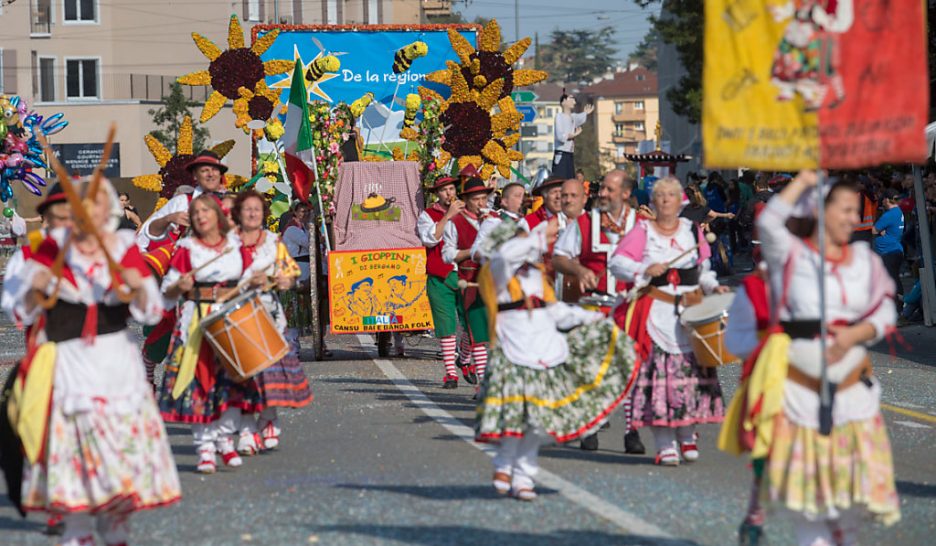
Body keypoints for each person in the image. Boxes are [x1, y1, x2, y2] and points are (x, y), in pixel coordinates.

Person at [3, 176, 181, 545]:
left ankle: (115, 529)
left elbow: (149, 310)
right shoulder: (41, 252)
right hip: (66, 364)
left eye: (88, 208)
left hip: (115, 364)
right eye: (69, 210)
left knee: (117, 462)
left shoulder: (121, 247)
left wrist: (133, 283)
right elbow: (17, 309)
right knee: (71, 461)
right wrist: (38, 288)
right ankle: (76, 530)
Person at [754, 171, 900, 545]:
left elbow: (885, 311)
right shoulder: (791, 254)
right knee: (811, 511)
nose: (855, 218)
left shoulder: (864, 261)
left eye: (856, 211)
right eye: (847, 209)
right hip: (801, 397)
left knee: (847, 511)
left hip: (853, 395)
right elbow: (769, 222)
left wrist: (856, 332)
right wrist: (803, 180)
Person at [474, 219, 638, 501]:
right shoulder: (497, 272)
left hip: (544, 349)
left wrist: (592, 317)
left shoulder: (536, 275)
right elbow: (505, 255)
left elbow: (556, 311)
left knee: (536, 420)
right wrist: (538, 236)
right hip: (514, 351)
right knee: (515, 416)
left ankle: (524, 476)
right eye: (519, 242)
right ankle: (504, 461)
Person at [609, 176, 727, 466]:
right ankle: (664, 445)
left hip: (690, 313)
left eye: (671, 196)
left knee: (690, 381)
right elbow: (618, 262)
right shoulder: (642, 231)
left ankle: (687, 437)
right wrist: (644, 267)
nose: (665, 201)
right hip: (656, 314)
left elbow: (703, 268)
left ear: (680, 201)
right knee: (659, 384)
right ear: (654, 201)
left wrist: (714, 288)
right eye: (660, 196)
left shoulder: (691, 230)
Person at [554, 170, 646, 453]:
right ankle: (591, 428)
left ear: (626, 194)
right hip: (593, 305)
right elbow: (559, 257)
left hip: (630, 306)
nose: (601, 194)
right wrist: (579, 269)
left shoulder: (643, 224)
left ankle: (632, 431)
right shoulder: (584, 222)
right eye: (602, 189)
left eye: (608, 190)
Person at [158, 194, 251, 474]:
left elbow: (248, 282)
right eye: (195, 212)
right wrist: (179, 286)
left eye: (205, 211)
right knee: (201, 383)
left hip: (231, 318)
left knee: (230, 383)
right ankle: (205, 448)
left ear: (218, 216)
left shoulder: (236, 247)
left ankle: (224, 438)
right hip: (198, 320)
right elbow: (168, 291)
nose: (200, 216)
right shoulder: (187, 250)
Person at [231, 190, 311, 455]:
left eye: (257, 208)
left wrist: (283, 280)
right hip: (235, 316)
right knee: (241, 377)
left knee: (267, 375)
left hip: (267, 315)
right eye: (247, 209)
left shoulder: (273, 242)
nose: (252, 213)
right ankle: (245, 429)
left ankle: (267, 417)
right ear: (238, 213)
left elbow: (290, 274)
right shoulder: (228, 243)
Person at [417, 176, 474, 388]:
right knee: (446, 326)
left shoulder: (468, 212)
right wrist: (448, 216)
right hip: (439, 277)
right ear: (437, 194)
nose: (449, 193)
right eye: (444, 190)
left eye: (451, 189)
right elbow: (430, 239)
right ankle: (451, 373)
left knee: (472, 324)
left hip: (466, 275)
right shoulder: (427, 215)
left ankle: (465, 358)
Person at [442, 178, 494, 392]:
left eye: (484, 198)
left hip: (495, 282)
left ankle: (466, 359)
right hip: (470, 281)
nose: (481, 203)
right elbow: (447, 255)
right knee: (477, 333)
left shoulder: (496, 219)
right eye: (476, 200)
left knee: (495, 333)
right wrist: (472, 252)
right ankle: (483, 383)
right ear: (466, 200)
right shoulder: (455, 224)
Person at [470, 182, 526, 263]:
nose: (523, 200)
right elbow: (476, 254)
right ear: (505, 202)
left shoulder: (529, 221)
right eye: (518, 196)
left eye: (524, 196)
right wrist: (504, 230)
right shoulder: (493, 221)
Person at [873, 188, 905, 306]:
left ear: (887, 200)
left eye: (883, 200)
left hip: (889, 252)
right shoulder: (898, 211)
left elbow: (874, 230)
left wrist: (881, 231)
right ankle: (900, 306)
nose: (882, 202)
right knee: (894, 279)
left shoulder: (889, 215)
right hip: (895, 250)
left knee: (892, 281)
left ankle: (899, 308)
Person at [552, 92, 594, 179]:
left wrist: (585, 113)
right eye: (571, 99)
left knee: (570, 178)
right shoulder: (559, 116)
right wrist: (572, 135)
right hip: (561, 153)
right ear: (563, 101)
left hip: (570, 153)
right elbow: (559, 136)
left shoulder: (572, 117)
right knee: (560, 179)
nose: (574, 102)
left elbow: (580, 118)